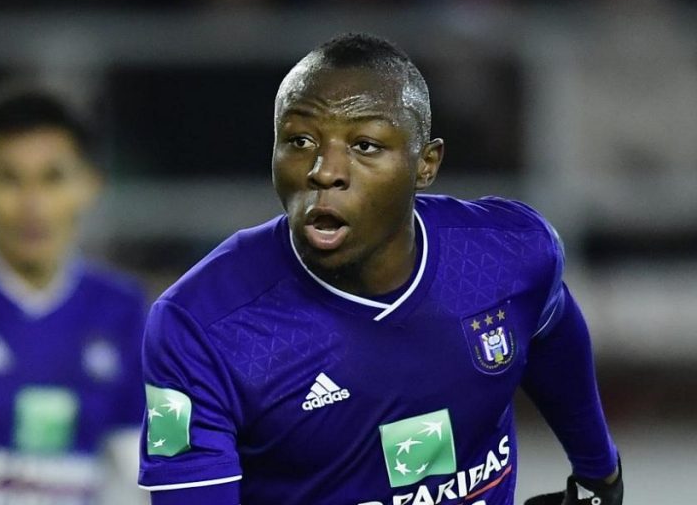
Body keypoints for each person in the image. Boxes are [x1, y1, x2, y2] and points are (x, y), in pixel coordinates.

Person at [137, 33, 623, 505]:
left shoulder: (506, 253)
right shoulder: (202, 325)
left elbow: (550, 325)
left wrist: (599, 475)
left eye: (365, 145)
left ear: (425, 164)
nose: (325, 171)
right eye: (300, 140)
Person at [0, 85, 147, 505]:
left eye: (53, 178)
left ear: (90, 185)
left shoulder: (122, 310)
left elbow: (135, 468)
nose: (33, 205)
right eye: (9, 179)